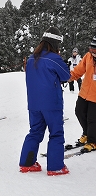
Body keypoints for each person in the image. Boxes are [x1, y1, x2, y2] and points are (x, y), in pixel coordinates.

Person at [19, 27, 70, 176]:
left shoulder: (31, 58)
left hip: (34, 104)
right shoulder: (54, 58)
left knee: (35, 132)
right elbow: (66, 75)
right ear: (55, 43)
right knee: (56, 133)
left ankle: (26, 163)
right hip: (52, 104)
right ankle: (55, 167)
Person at [69, 36, 96, 153]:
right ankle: (86, 133)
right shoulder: (88, 57)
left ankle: (93, 140)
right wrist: (68, 77)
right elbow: (78, 70)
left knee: (92, 119)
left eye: (94, 50)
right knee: (79, 112)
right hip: (84, 92)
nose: (92, 52)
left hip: (95, 96)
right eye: (91, 49)